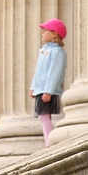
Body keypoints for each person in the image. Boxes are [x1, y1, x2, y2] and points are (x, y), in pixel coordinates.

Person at [30, 18, 68, 146]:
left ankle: (49, 142)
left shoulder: (57, 52)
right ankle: (48, 140)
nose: (42, 33)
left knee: (44, 115)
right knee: (43, 116)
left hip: (47, 89)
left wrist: (48, 91)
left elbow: (54, 73)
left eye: (45, 31)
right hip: (41, 88)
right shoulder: (44, 51)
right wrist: (33, 87)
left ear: (54, 34)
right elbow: (38, 71)